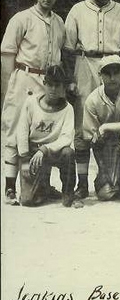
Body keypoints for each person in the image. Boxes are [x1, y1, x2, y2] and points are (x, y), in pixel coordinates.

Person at [63, 0, 120, 193]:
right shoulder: (77, 9)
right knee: (83, 127)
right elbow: (68, 48)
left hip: (112, 64)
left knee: (116, 120)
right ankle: (83, 183)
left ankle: (115, 176)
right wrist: (70, 79)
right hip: (86, 62)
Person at [1, 0, 65, 205]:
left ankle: (42, 185)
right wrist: (8, 86)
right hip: (24, 77)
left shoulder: (59, 22)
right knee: (14, 132)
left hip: (47, 81)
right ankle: (10, 187)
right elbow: (7, 53)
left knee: (43, 131)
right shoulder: (22, 18)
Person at [78, 55, 120, 205]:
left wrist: (106, 126)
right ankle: (115, 177)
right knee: (105, 193)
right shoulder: (92, 100)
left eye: (116, 72)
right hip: (107, 148)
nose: (112, 77)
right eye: (107, 73)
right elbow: (92, 139)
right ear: (100, 75)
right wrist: (103, 171)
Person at [15, 65, 81, 208]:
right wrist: (24, 157)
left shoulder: (68, 108)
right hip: (33, 152)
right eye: (50, 84)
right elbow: (22, 130)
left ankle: (68, 193)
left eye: (57, 85)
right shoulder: (31, 102)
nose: (53, 89)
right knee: (28, 200)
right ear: (44, 84)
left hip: (53, 151)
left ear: (63, 87)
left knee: (68, 153)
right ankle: (45, 188)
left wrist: (45, 149)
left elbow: (66, 138)